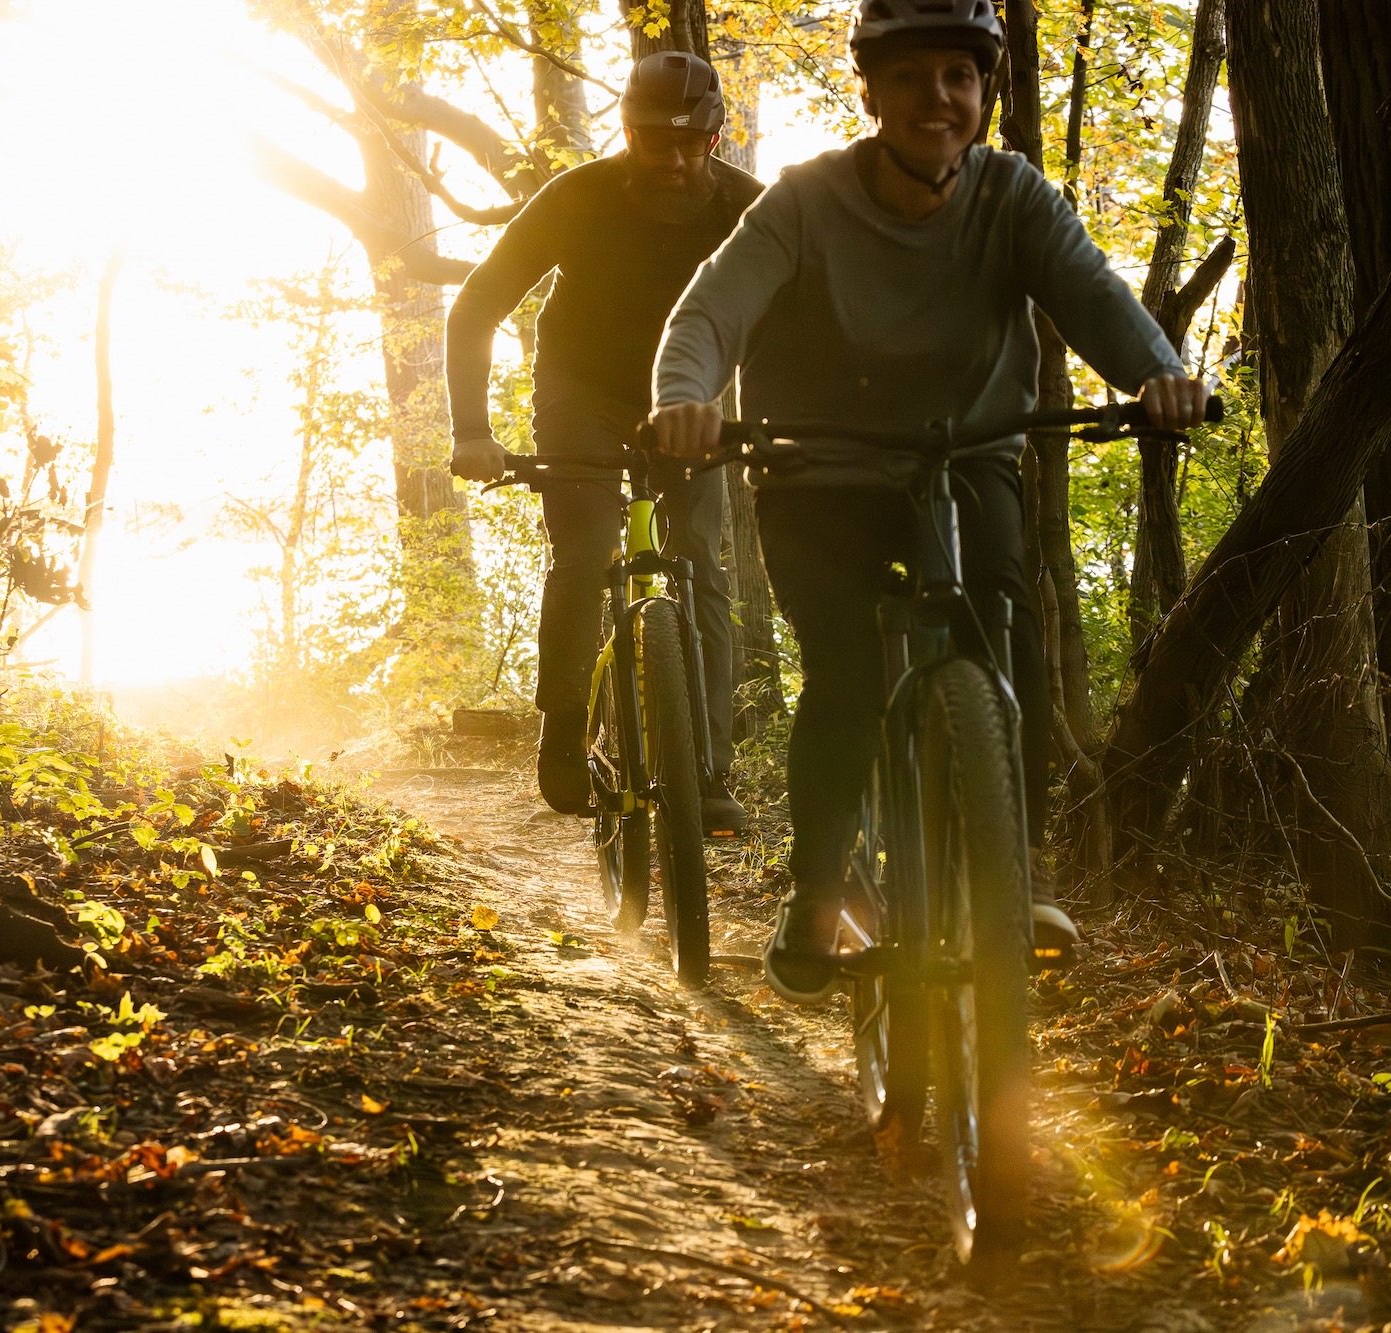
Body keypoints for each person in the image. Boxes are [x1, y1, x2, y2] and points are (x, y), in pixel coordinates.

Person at [646, 0, 1208, 1003]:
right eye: (907, 77)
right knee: (846, 668)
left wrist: (1157, 374)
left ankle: (1011, 875)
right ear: (868, 92)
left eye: (956, 75)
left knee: (1006, 627)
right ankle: (819, 888)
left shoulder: (1012, 199)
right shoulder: (803, 202)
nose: (934, 99)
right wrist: (683, 398)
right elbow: (711, 306)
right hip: (819, 467)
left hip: (964, 456)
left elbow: (1093, 298)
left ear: (982, 90)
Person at [446, 51, 759, 833]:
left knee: (701, 563)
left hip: (686, 400)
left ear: (718, 140)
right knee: (585, 549)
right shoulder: (576, 199)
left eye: (695, 145)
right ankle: (562, 720)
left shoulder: (748, 211)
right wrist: (472, 430)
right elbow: (477, 305)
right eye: (660, 143)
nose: (678, 161)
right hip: (579, 389)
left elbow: (805, 311)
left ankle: (709, 767)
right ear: (627, 133)